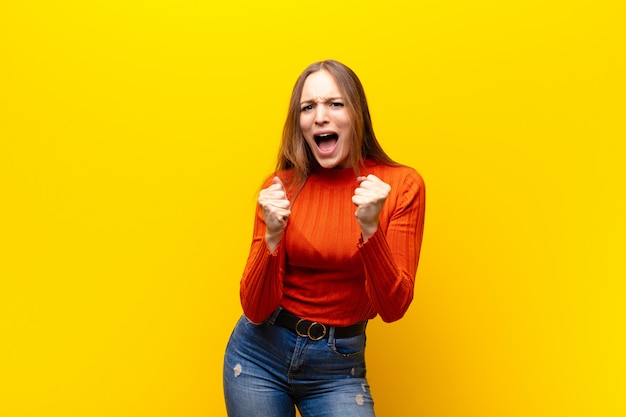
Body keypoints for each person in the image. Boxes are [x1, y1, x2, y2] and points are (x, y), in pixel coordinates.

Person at [223, 59, 426, 417]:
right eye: (308, 107)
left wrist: (370, 228)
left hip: (337, 369)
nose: (320, 116)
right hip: (258, 356)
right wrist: (272, 235)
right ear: (299, 123)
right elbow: (254, 308)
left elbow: (394, 309)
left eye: (334, 103)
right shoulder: (280, 188)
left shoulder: (401, 187)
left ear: (357, 112)